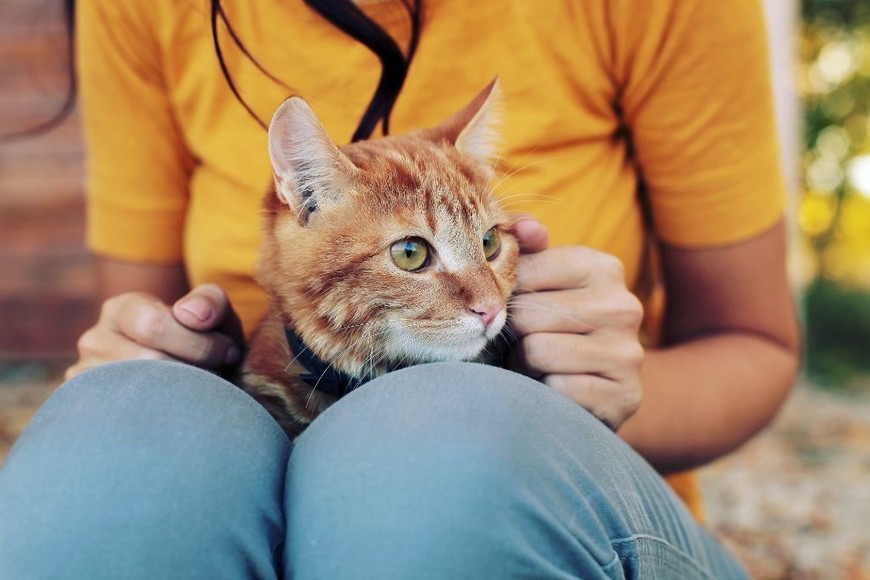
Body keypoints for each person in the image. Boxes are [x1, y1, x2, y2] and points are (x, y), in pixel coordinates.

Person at [0, 0, 800, 577]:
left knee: (427, 443)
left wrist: (601, 390)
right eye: (418, 254)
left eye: (492, 244)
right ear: (300, 203)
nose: (485, 294)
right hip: (272, 467)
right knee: (113, 431)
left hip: (570, 516)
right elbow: (150, 322)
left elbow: (758, 344)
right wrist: (138, 357)